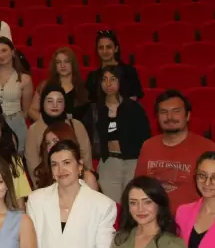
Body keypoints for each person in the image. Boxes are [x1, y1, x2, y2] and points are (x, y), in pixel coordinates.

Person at [136, 90, 215, 213]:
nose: (169, 117)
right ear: (157, 118)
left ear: (187, 116)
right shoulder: (148, 146)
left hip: (193, 218)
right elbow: (138, 186)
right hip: (154, 218)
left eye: (176, 111)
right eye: (163, 112)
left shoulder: (207, 148)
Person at [80, 68, 151, 203]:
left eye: (113, 79)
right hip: (109, 161)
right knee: (110, 204)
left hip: (132, 162)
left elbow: (146, 137)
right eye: (104, 79)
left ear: (120, 82)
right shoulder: (95, 109)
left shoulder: (134, 108)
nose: (108, 84)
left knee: (132, 202)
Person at [26, 85, 93, 180]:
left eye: (59, 101)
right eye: (50, 101)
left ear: (65, 104)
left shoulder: (76, 125)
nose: (55, 105)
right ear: (42, 103)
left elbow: (86, 157)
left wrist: (86, 181)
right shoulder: (34, 130)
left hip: (77, 182)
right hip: (47, 183)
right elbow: (33, 165)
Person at [0, 37, 34, 150]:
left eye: (4, 50)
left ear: (12, 52)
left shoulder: (25, 79)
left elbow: (26, 111)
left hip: (16, 124)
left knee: (16, 157)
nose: (1, 55)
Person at [34, 122, 101, 192]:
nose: (51, 147)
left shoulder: (87, 178)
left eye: (55, 141)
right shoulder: (45, 174)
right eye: (48, 143)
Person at [83, 31, 144, 104]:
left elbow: (132, 101)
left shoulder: (129, 72)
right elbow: (89, 103)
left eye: (108, 47)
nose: (105, 51)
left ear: (116, 49)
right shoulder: (92, 77)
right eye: (101, 48)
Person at [29, 47, 88, 123]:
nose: (62, 65)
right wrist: (49, 123)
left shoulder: (83, 88)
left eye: (66, 61)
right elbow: (32, 111)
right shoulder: (45, 85)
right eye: (59, 62)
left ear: (73, 64)